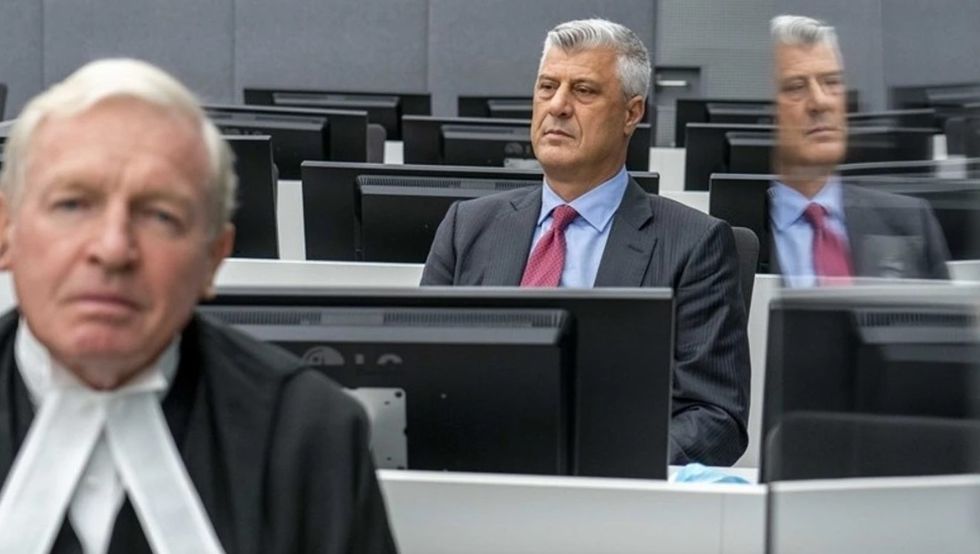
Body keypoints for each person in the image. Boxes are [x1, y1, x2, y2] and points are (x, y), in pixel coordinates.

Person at [0, 59, 396, 553]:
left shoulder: (309, 434)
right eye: (72, 204)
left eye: (161, 215)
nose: (113, 248)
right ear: (7, 231)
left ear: (213, 258)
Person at [422, 18, 750, 466]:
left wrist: (602, 465)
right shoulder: (467, 227)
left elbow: (715, 418)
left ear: (631, 114)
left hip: (609, 489)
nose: (557, 106)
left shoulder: (695, 243)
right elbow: (422, 376)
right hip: (475, 475)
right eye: (547, 87)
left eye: (583, 91)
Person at [769, 15, 950, 286]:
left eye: (832, 82)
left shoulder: (910, 224)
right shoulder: (727, 237)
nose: (820, 102)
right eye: (796, 87)